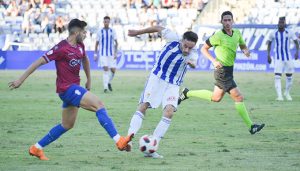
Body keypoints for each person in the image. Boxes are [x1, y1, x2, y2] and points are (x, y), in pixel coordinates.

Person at [8, 19, 133, 161]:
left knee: (67, 125)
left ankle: (36, 148)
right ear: (76, 32)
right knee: (99, 104)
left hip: (72, 89)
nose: (86, 34)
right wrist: (20, 80)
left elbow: (85, 59)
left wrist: (89, 79)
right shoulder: (61, 48)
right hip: (67, 89)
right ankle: (119, 140)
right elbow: (39, 62)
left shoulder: (80, 46)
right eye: (84, 32)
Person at [178, 11, 265, 135]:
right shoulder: (218, 35)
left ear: (233, 21)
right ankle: (251, 126)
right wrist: (213, 61)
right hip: (222, 71)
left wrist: (245, 50)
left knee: (216, 97)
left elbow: (242, 45)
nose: (227, 22)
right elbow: (204, 48)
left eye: (229, 20)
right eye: (225, 20)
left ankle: (187, 93)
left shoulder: (237, 33)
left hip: (229, 71)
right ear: (222, 22)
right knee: (238, 97)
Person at [126, 25, 199, 158]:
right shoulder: (172, 37)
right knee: (143, 106)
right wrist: (138, 32)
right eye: (185, 46)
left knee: (169, 112)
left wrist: (191, 64)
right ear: (181, 40)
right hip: (157, 78)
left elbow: (194, 63)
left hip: (173, 85)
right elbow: (158, 28)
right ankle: (128, 139)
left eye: (190, 48)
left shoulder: (193, 54)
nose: (187, 50)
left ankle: (152, 146)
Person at [267, 17, 299, 101]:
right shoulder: (273, 33)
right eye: (279, 22)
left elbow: (296, 42)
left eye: (282, 23)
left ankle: (287, 93)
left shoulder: (290, 32)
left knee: (289, 77)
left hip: (288, 57)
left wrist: (297, 52)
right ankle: (279, 96)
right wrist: (268, 55)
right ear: (278, 23)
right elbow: (269, 44)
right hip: (278, 58)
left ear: (285, 24)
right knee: (277, 76)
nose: (280, 24)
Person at [94, 16, 118, 93]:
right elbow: (97, 43)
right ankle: (105, 88)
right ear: (103, 22)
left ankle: (108, 82)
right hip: (103, 54)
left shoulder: (112, 31)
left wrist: (115, 52)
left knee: (113, 70)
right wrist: (95, 54)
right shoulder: (99, 31)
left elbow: (116, 43)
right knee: (105, 69)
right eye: (105, 22)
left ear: (109, 22)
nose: (106, 23)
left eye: (107, 22)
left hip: (111, 53)